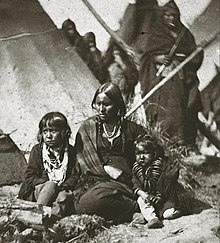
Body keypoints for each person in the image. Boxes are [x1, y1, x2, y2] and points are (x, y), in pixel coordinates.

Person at [73, 82, 148, 224]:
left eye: (106, 104)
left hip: (127, 181)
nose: (101, 109)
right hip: (97, 180)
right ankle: (136, 207)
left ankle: (132, 206)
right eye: (98, 104)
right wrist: (105, 169)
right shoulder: (87, 128)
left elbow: (151, 152)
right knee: (83, 203)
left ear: (117, 104)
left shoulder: (131, 129)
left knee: (96, 200)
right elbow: (81, 160)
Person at [139, 0, 203, 152]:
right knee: (171, 109)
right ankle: (170, 142)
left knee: (191, 102)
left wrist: (193, 55)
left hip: (183, 75)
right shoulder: (156, 32)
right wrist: (157, 58)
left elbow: (194, 54)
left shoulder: (184, 34)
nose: (171, 18)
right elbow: (146, 56)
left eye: (174, 15)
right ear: (162, 16)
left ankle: (186, 144)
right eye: (167, 15)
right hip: (166, 79)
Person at [18, 112, 78, 218]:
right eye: (45, 132)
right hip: (39, 191)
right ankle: (35, 217)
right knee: (51, 186)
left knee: (65, 196)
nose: (49, 136)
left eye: (53, 131)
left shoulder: (71, 152)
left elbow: (75, 175)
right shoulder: (38, 150)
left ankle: (50, 220)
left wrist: (65, 186)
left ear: (64, 132)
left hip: (61, 189)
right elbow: (29, 176)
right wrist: (47, 184)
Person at [132, 135, 192, 227]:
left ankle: (175, 211)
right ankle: (153, 219)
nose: (141, 157)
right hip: (148, 196)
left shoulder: (161, 165)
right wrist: (143, 194)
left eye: (146, 153)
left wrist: (159, 197)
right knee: (141, 200)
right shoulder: (137, 168)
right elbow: (135, 184)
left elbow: (166, 183)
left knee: (168, 214)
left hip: (165, 196)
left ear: (154, 153)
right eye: (138, 153)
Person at [102, 39, 139, 104]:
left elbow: (133, 81)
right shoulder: (108, 62)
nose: (116, 51)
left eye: (118, 50)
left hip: (121, 97)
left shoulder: (129, 65)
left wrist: (122, 64)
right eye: (115, 49)